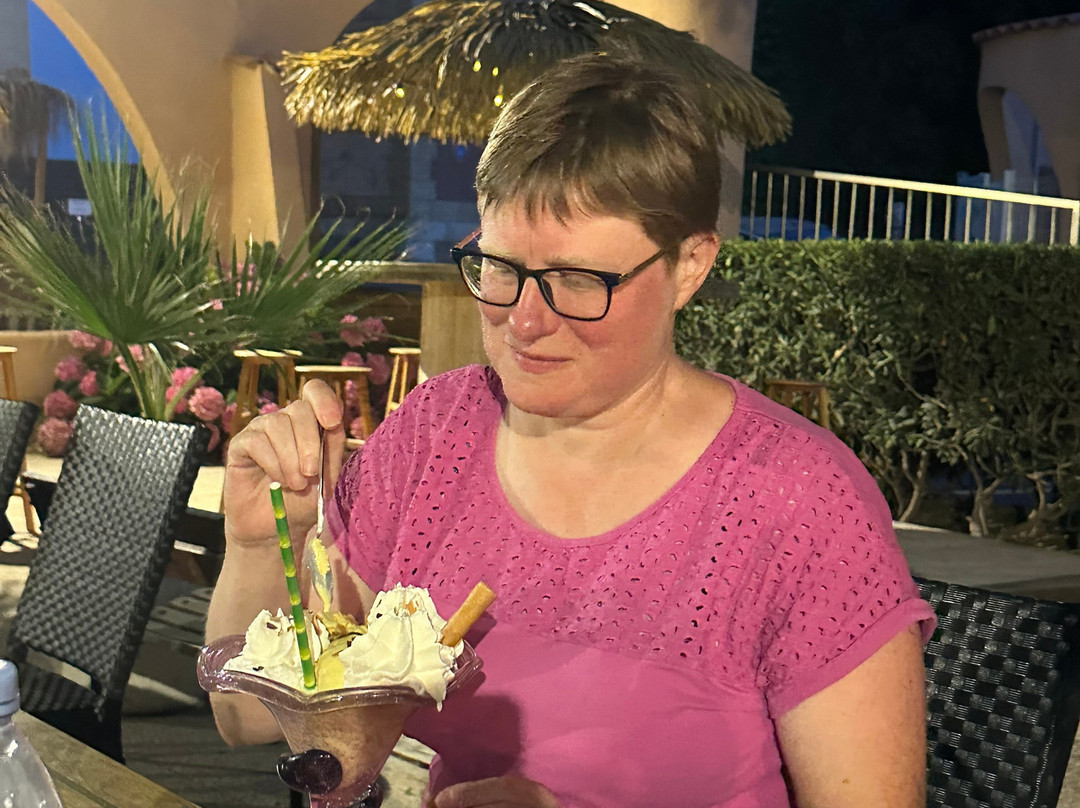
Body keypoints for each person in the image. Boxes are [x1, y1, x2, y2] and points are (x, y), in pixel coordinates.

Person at [207, 54, 935, 808]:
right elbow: (248, 720)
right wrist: (261, 546)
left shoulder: (797, 502)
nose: (525, 321)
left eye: (580, 281)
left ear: (690, 265)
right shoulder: (434, 434)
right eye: (500, 267)